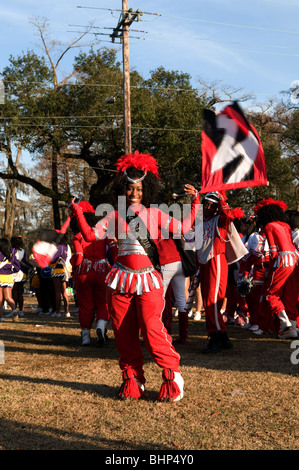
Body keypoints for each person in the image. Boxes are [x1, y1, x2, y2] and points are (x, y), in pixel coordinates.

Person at [69, 150, 199, 402]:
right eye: (129, 189)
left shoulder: (156, 214)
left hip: (148, 279)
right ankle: (133, 378)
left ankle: (173, 376)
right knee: (123, 332)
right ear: (122, 189)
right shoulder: (113, 214)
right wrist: (76, 210)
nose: (134, 193)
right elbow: (89, 236)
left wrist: (195, 203)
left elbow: (184, 228)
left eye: (139, 188)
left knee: (152, 330)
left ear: (146, 189)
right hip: (119, 280)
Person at [194, 192, 248, 354]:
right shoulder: (201, 221)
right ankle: (223, 336)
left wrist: (221, 200)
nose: (208, 207)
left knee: (213, 301)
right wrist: (195, 198)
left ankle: (215, 336)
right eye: (206, 204)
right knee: (208, 300)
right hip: (205, 263)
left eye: (212, 205)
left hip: (216, 261)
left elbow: (228, 215)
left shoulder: (220, 221)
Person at [70, 200, 117, 346]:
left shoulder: (78, 236)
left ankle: (85, 336)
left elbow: (78, 258)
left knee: (85, 304)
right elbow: (114, 251)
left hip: (84, 272)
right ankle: (101, 327)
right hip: (103, 271)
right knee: (103, 302)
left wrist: (73, 265)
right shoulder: (104, 233)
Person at [253, 198, 299, 339]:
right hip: (295, 260)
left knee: (271, 294)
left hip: (282, 261)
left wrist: (270, 267)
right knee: (290, 296)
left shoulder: (269, 227)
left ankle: (286, 324)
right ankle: (294, 328)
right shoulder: (286, 226)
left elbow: (273, 252)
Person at [50, 234, 72, 318]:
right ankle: (67, 312)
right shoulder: (67, 247)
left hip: (57, 270)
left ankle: (58, 312)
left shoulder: (58, 247)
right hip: (64, 270)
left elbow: (53, 259)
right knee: (64, 292)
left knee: (57, 292)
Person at [0, 238, 20, 322]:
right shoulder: (11, 255)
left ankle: (1, 317)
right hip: (8, 277)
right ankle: (14, 310)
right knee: (8, 297)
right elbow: (17, 267)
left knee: (0, 299)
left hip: (0, 276)